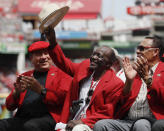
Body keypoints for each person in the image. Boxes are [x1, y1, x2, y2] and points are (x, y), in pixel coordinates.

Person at [44, 27, 124, 131]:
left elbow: (106, 112)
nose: (94, 57)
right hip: (71, 120)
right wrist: (53, 42)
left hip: (92, 125)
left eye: (100, 56)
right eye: (94, 54)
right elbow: (64, 63)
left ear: (109, 64)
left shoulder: (116, 83)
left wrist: (82, 122)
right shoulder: (85, 67)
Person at [93, 36, 164, 131]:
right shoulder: (134, 71)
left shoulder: (162, 70)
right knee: (101, 125)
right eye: (138, 48)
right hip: (128, 121)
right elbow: (121, 101)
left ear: (155, 52)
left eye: (142, 48)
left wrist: (148, 80)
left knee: (141, 124)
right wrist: (129, 81)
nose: (138, 51)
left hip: (153, 121)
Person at [0, 41, 72, 131]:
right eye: (38, 54)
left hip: (49, 118)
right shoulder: (25, 76)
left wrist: (41, 90)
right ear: (31, 58)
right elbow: (9, 106)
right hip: (23, 118)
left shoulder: (62, 74)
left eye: (46, 53)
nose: (43, 57)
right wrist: (16, 93)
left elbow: (63, 99)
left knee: (30, 126)